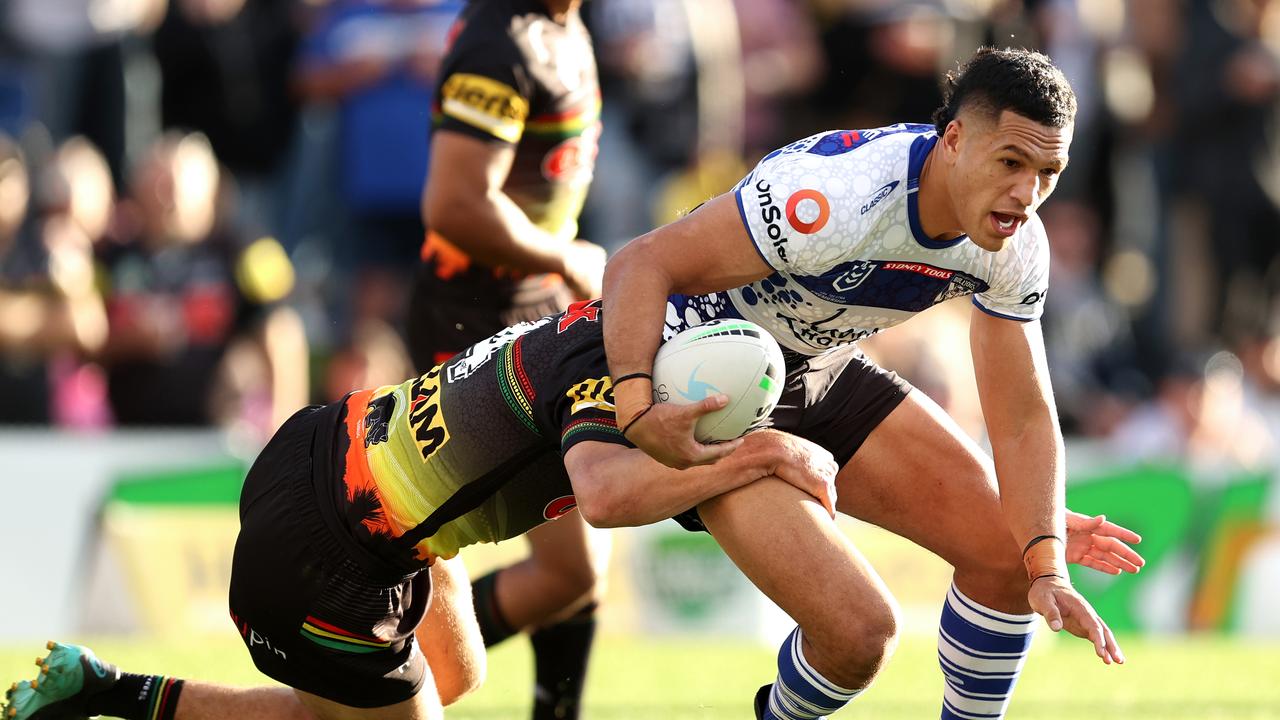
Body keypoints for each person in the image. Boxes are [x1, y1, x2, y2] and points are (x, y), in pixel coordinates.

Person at [3, 299, 1142, 720]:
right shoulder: (610, 378)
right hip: (328, 557)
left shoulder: (611, 327)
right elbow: (602, 493)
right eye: (705, 423)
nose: (704, 442)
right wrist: (744, 464)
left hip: (325, 450)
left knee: (462, 678)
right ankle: (103, 691)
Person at [600, 47, 1137, 720]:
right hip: (709, 382)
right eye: (1010, 163)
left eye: (1047, 172)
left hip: (817, 366)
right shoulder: (834, 196)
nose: (1027, 195)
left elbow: (1024, 416)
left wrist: (1049, 561)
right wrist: (636, 408)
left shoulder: (1020, 244)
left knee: (1012, 555)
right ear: (953, 140)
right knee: (859, 635)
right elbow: (640, 264)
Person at [406, 0, 609, 716]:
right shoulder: (502, 42)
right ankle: (369, 693)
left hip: (536, 307)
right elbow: (455, 204)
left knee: (582, 570)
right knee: (570, 574)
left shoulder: (564, 22)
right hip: (476, 317)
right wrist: (566, 255)